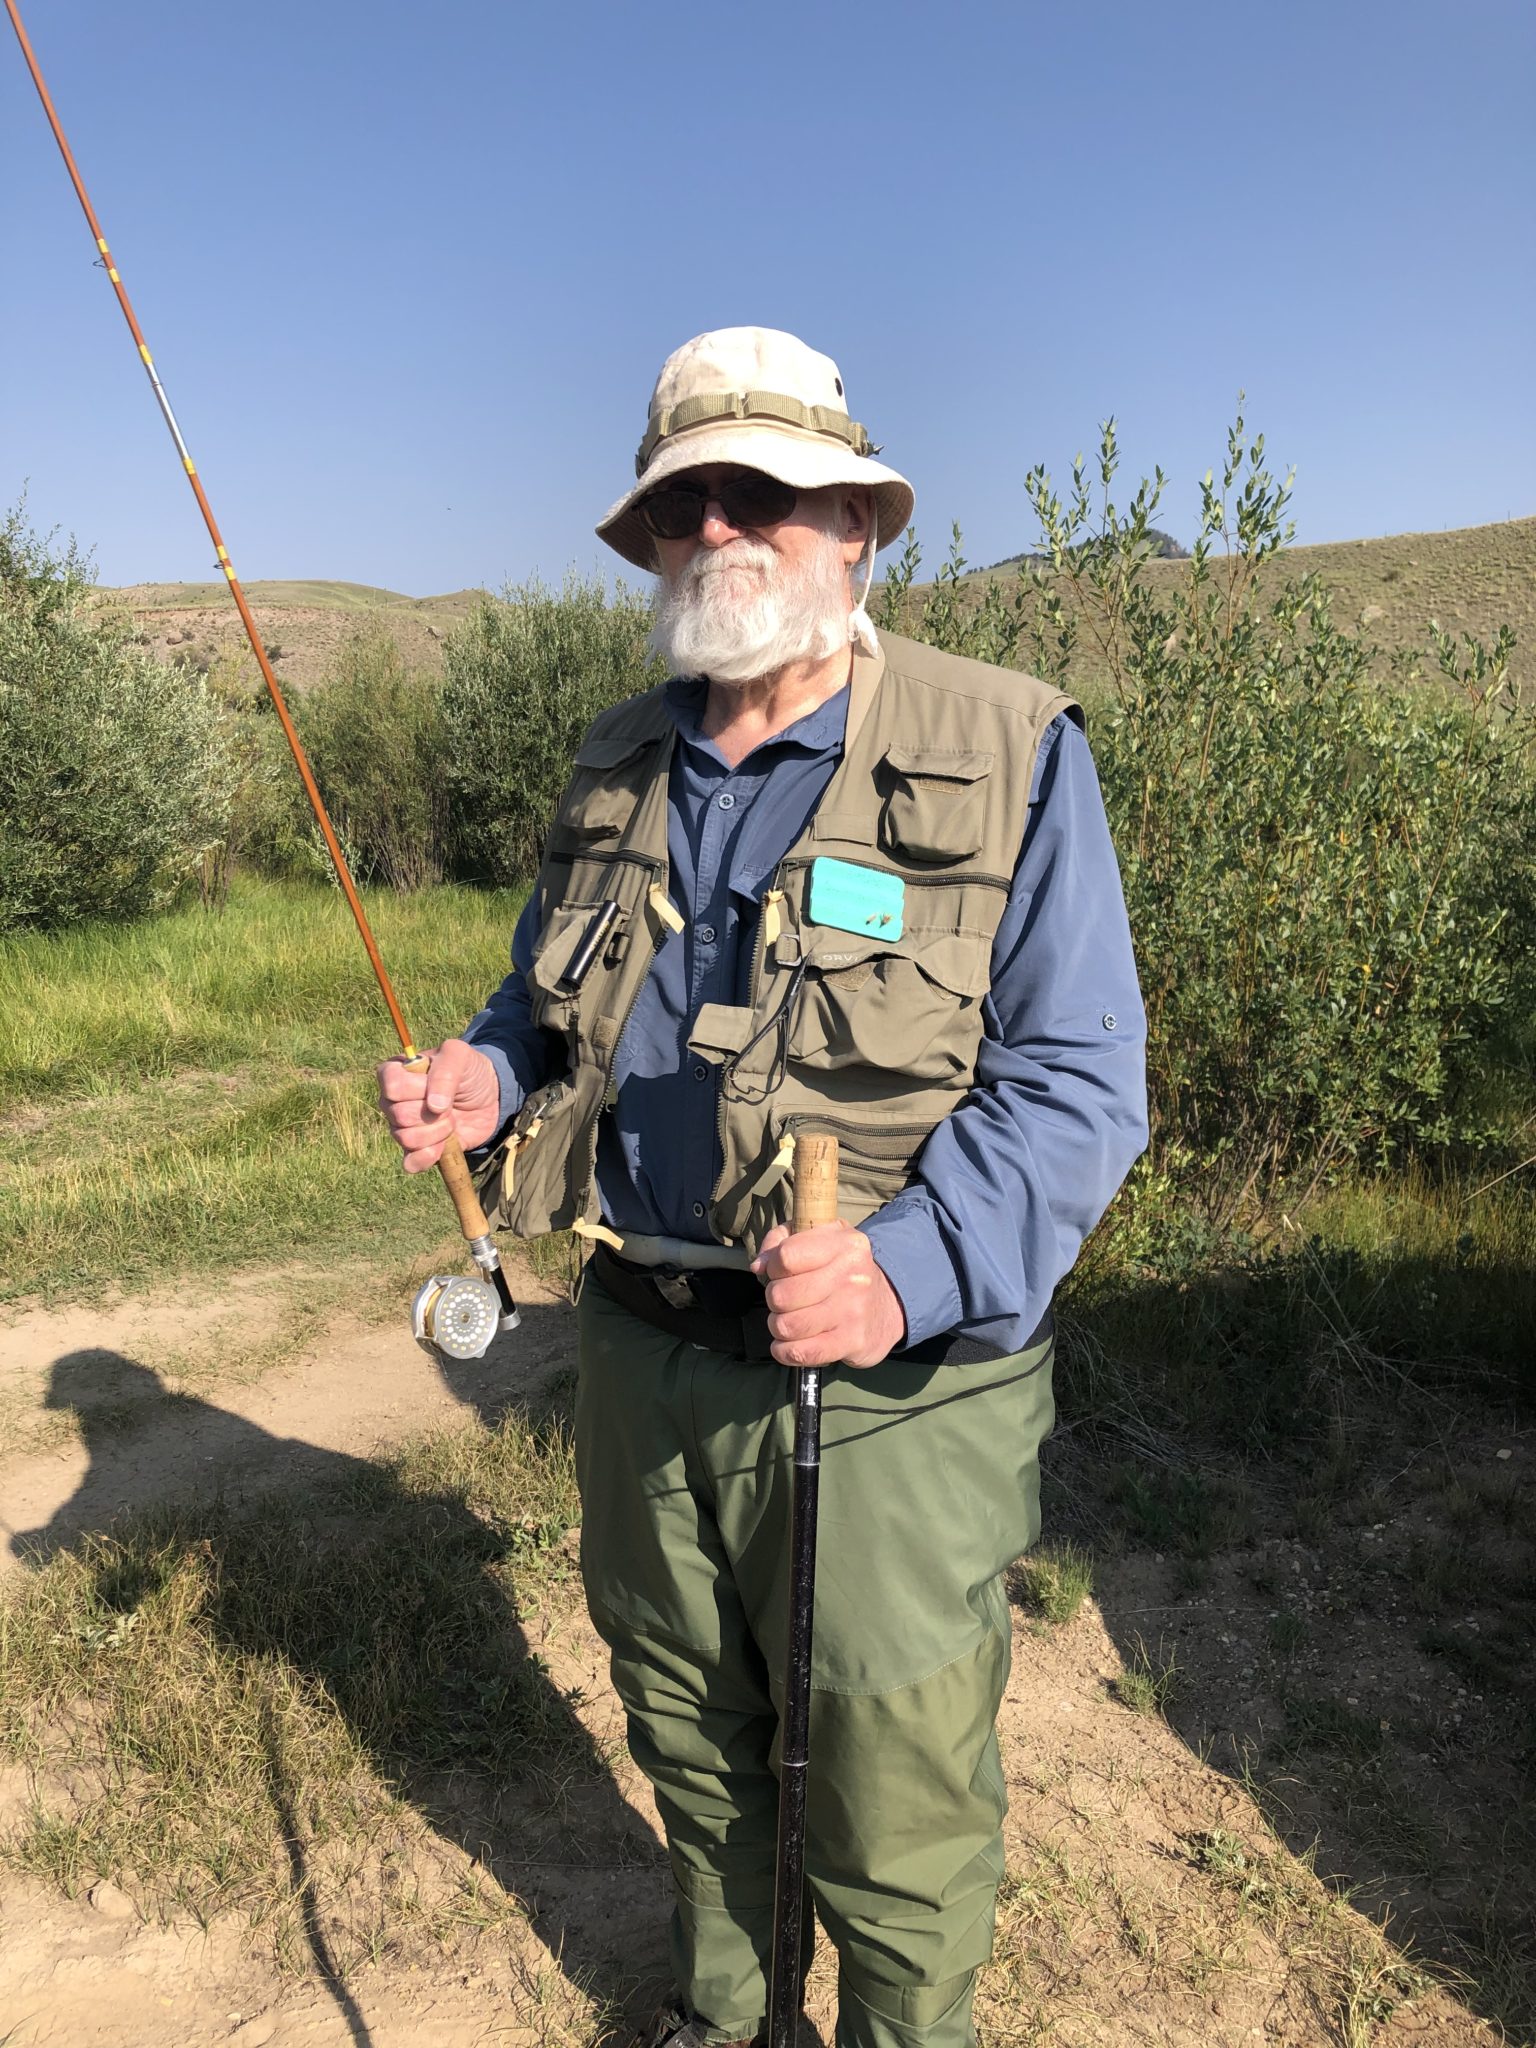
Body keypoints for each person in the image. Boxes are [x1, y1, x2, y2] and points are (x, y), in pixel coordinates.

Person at [378, 327, 1148, 2048]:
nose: (723, 526)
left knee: (891, 1789)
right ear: (653, 538)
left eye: (767, 492)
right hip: (642, 1348)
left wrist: (906, 1264)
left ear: (854, 524)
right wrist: (480, 1080)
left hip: (889, 1391)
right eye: (684, 500)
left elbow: (1085, 1080)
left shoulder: (1008, 743)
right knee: (690, 1741)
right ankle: (725, 2018)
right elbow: (540, 1008)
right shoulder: (612, 761)